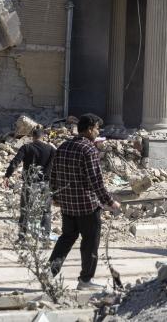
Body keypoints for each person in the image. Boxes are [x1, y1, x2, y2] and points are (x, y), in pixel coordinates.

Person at [47, 114, 120, 290]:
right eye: (97, 129)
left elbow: (54, 174)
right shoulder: (89, 150)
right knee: (90, 242)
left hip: (68, 205)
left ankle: (49, 273)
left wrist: (56, 197)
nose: (98, 132)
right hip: (87, 206)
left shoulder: (63, 147)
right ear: (89, 129)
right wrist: (111, 202)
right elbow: (96, 181)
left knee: (66, 238)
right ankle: (85, 281)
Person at [3, 126, 56, 242]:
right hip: (45, 184)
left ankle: (22, 238)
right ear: (43, 137)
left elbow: (15, 162)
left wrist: (7, 176)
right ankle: (45, 236)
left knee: (25, 209)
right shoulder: (51, 150)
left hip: (30, 183)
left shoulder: (26, 147)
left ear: (32, 137)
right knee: (46, 211)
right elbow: (56, 168)